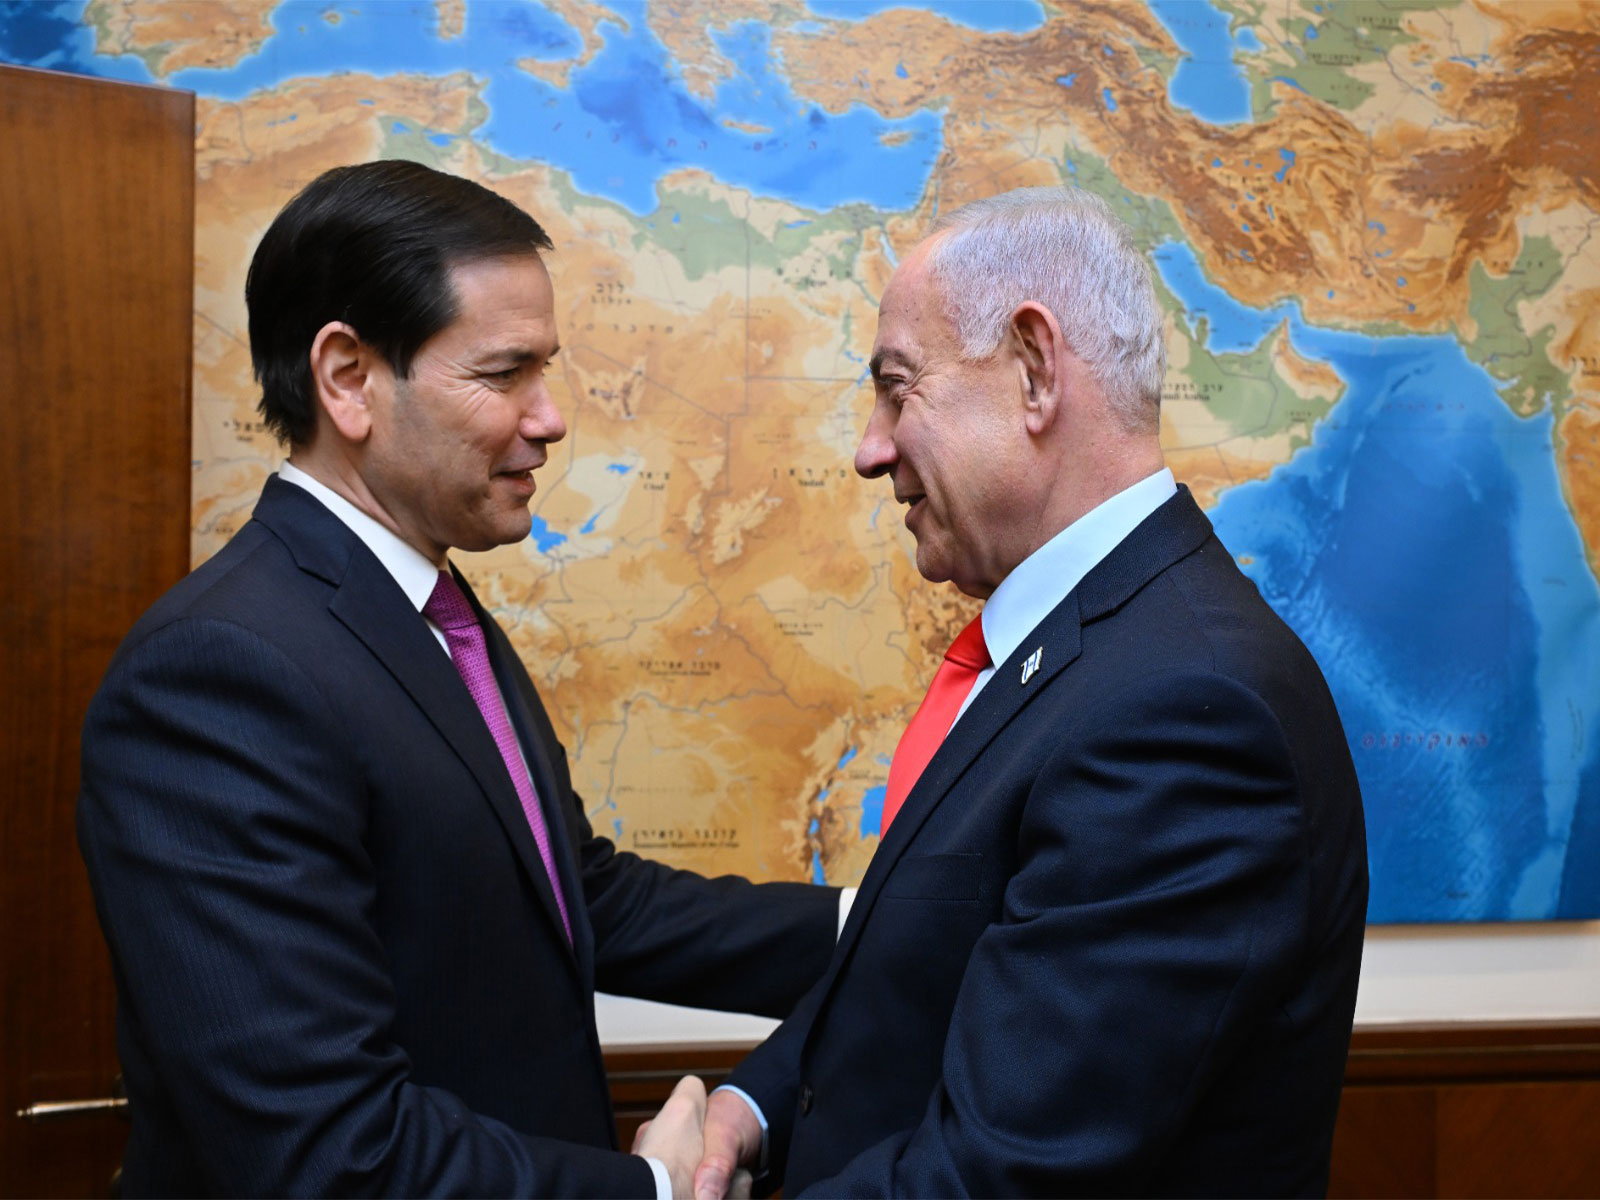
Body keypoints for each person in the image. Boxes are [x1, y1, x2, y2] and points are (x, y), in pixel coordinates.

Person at [76, 160, 843, 1199]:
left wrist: (876, 918)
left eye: (545, 369)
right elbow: (323, 1150)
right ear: (348, 378)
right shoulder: (216, 675)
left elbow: (574, 899)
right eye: (504, 373)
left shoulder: (431, 612)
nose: (551, 417)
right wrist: (651, 1191)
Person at [691, 187, 1369, 1198]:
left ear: (1035, 369)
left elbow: (1004, 1172)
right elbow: (916, 972)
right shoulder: (1077, 654)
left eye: (896, 389)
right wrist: (751, 1109)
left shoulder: (1185, 711)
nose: (870, 448)